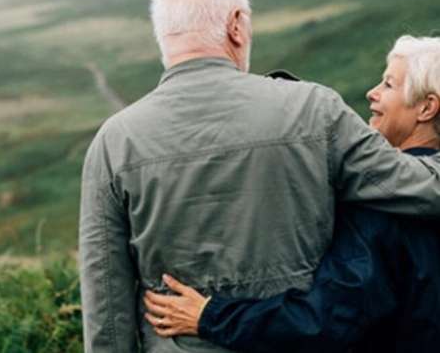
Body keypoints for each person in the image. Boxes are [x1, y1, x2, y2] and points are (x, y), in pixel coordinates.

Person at [78, 0, 440, 353]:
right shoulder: (313, 110)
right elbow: (423, 188)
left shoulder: (113, 142)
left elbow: (107, 305)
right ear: (236, 25)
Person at [143, 35, 440, 352]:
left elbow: (327, 320)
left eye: (389, 85)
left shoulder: (380, 205)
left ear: (427, 107)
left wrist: (210, 316)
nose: (373, 93)